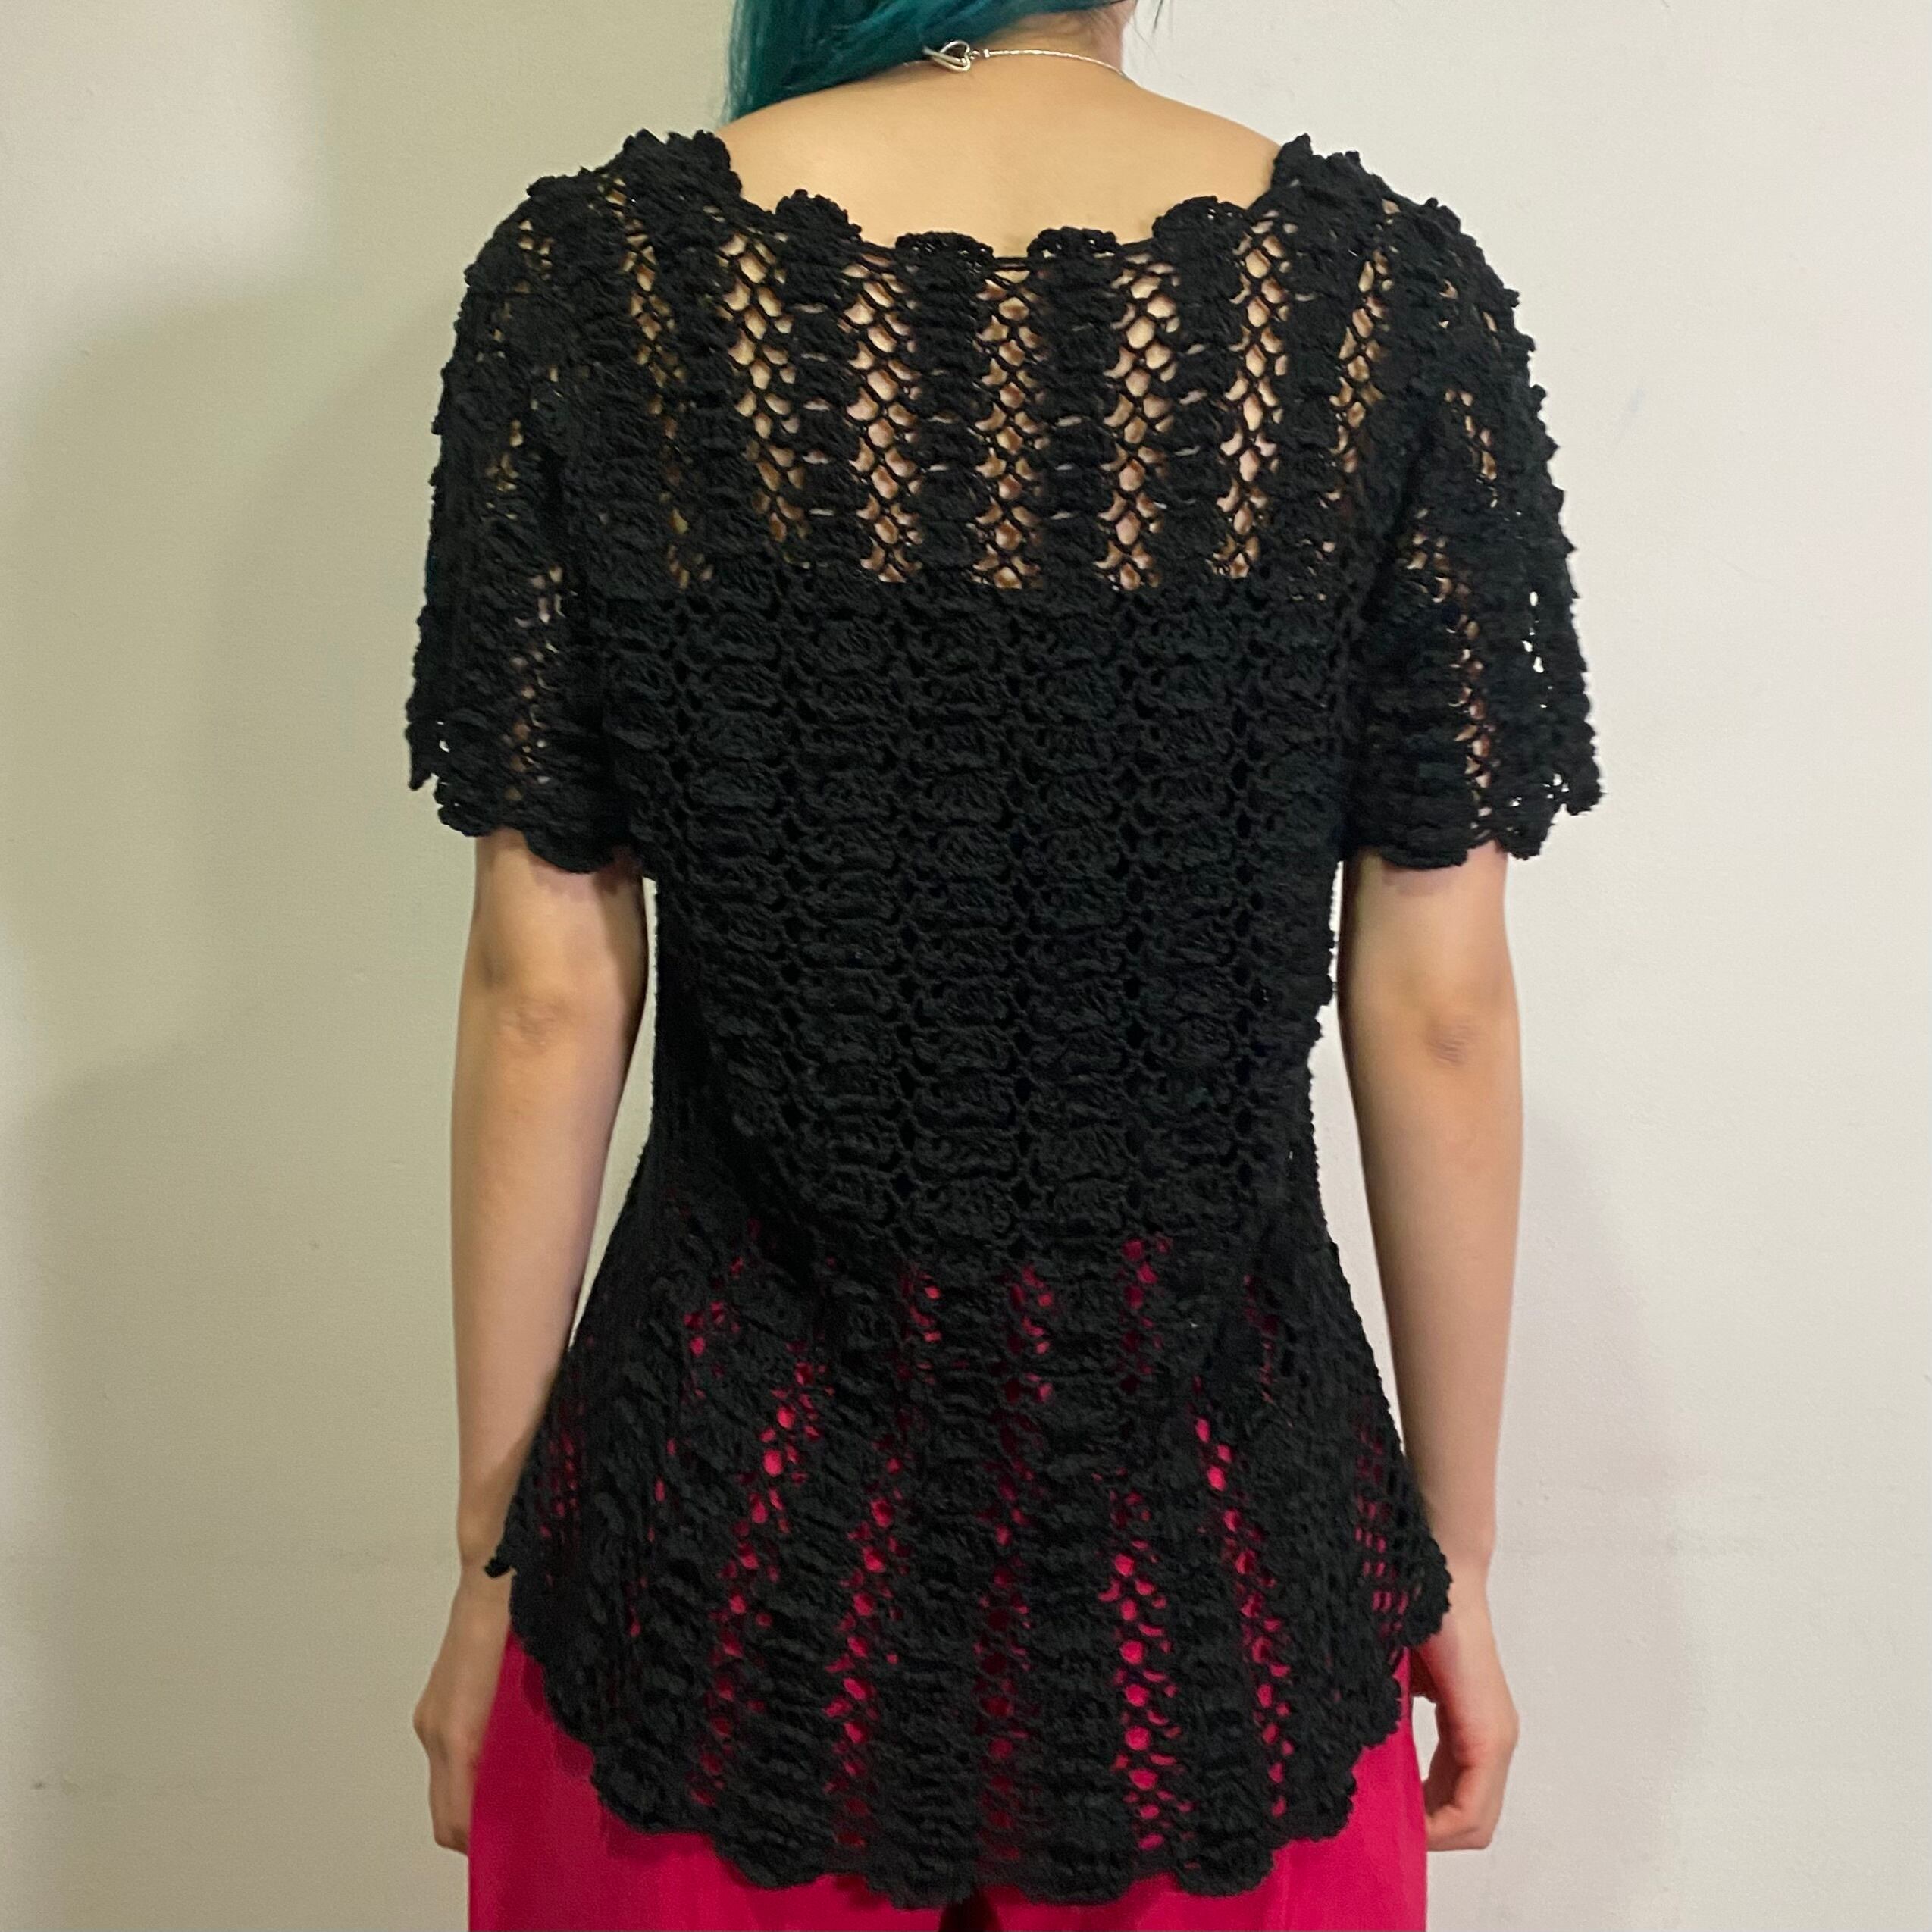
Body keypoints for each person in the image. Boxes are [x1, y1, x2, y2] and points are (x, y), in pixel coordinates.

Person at [404, 2, 1604, 1927]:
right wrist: (1446, 1564)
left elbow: (546, 990)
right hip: (1224, 1570)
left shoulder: (596, 286)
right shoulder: (1390, 309)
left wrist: (491, 1558)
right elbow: (1440, 1011)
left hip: (711, 1542)